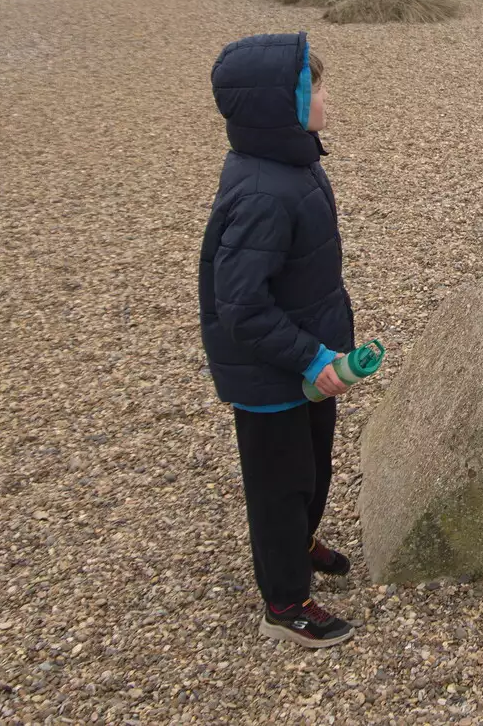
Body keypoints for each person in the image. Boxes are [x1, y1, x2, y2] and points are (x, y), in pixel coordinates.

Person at [198, 31, 366, 649]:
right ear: (282, 106)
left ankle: (300, 540)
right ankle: (285, 599)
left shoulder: (292, 163)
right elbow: (240, 305)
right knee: (279, 483)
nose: (327, 98)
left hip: (306, 361)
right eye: (315, 89)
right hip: (271, 373)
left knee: (315, 463)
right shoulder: (264, 191)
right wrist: (311, 353)